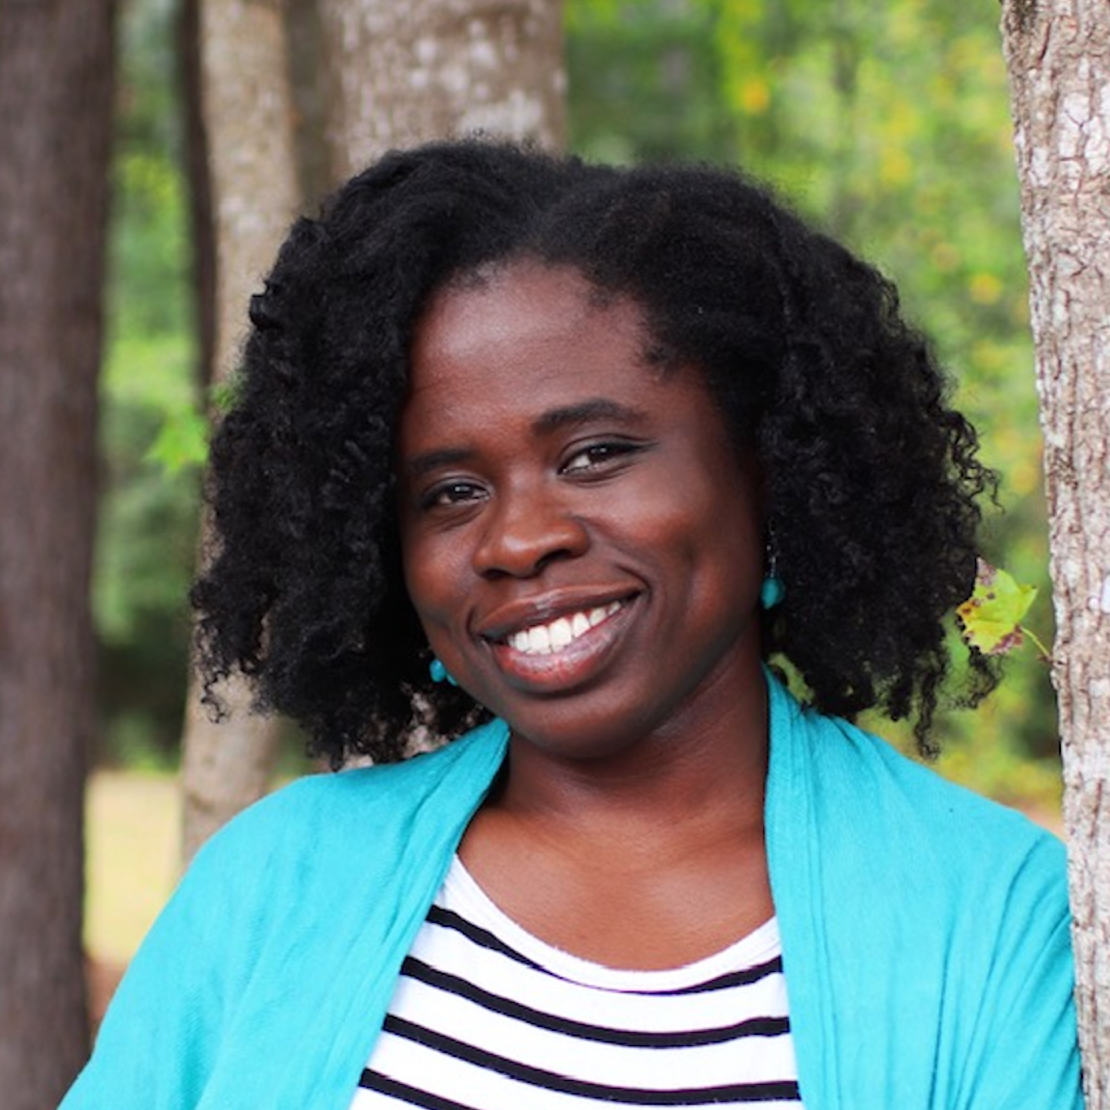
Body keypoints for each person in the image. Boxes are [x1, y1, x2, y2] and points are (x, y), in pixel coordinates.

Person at [62, 140, 1082, 1110]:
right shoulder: (278, 880)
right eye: (451, 492)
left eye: (594, 454)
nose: (518, 539)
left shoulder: (996, 915)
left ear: (766, 470)